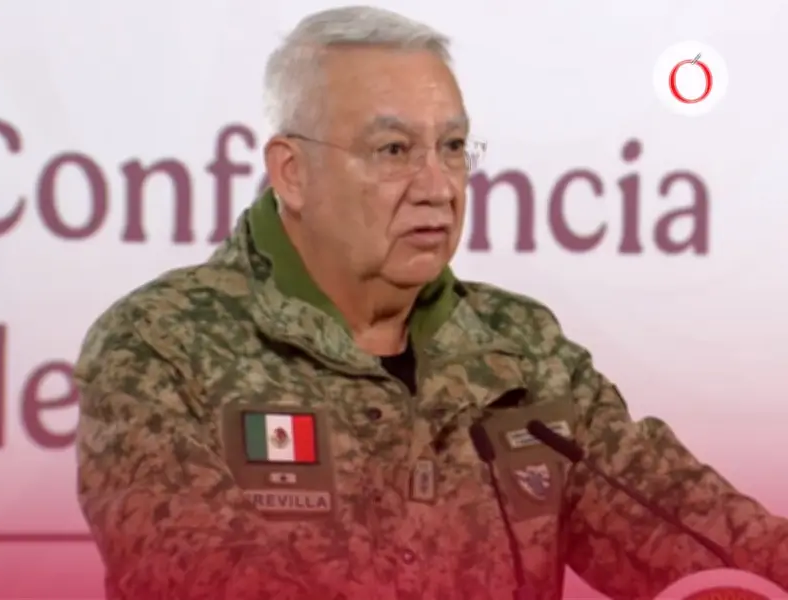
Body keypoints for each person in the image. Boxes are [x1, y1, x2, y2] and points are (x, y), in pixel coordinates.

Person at [72, 6, 788, 600]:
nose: (439, 186)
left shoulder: (522, 352)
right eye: (393, 151)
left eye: (452, 147)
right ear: (292, 172)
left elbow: (697, 529)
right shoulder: (161, 346)